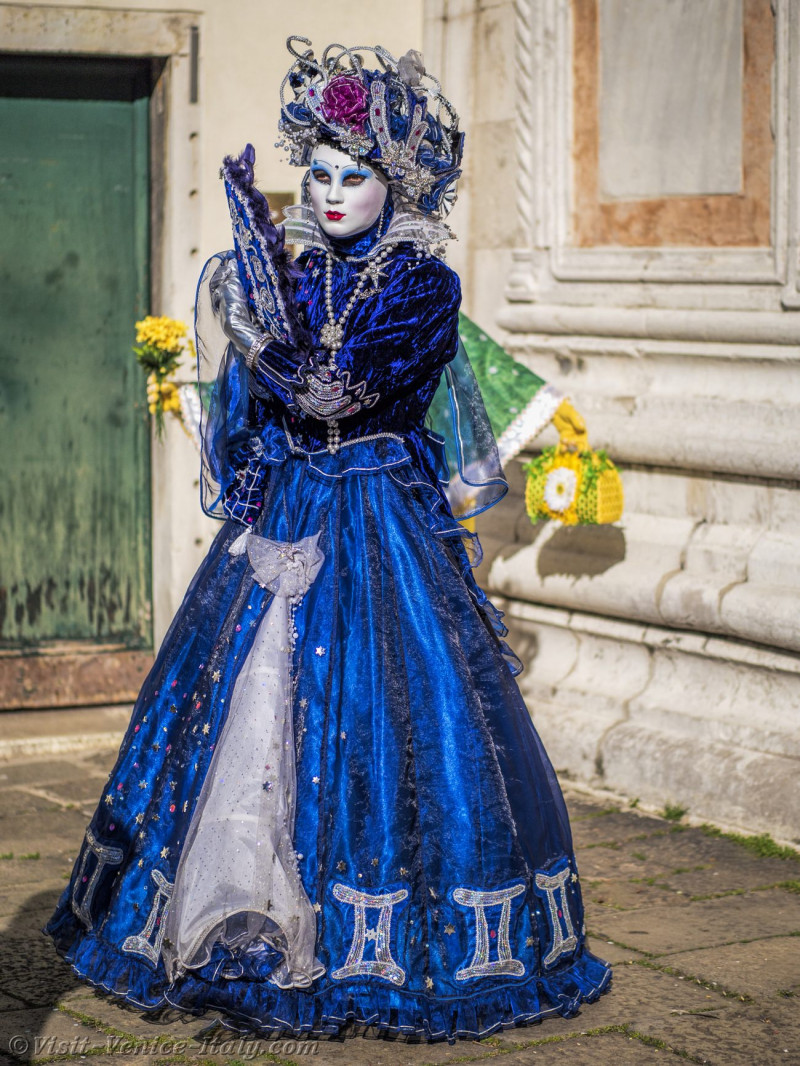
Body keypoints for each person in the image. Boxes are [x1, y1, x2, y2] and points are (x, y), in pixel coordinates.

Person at [43, 38, 611, 1043]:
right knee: (246, 702)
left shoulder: (422, 287)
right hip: (290, 509)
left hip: (378, 516)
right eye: (320, 171)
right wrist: (260, 317)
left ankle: (375, 938)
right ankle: (229, 914)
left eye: (359, 175)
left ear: (398, 187)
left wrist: (262, 331)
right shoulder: (297, 274)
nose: (336, 190)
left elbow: (335, 388)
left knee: (389, 706)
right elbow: (269, 412)